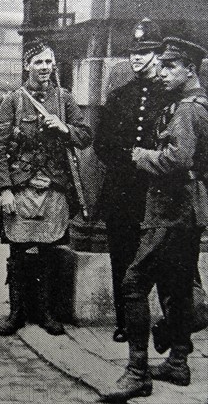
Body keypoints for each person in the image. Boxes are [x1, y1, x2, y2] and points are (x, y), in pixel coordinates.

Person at [102, 37, 208, 401]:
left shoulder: (188, 110)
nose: (161, 73)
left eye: (170, 66)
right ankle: (178, 363)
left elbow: (176, 160)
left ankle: (136, 373)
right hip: (188, 209)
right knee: (177, 286)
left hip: (171, 209)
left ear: (190, 68)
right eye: (160, 65)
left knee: (133, 284)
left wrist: (140, 155)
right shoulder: (196, 104)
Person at [0, 38, 91, 336]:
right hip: (21, 189)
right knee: (18, 251)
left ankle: (47, 313)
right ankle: (16, 313)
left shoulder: (65, 99)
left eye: (49, 62)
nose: (44, 68)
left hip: (54, 188)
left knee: (48, 252)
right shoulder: (12, 101)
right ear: (26, 66)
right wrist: (5, 190)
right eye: (38, 62)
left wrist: (64, 128)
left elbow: (85, 136)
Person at [93, 18, 170, 343]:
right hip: (122, 192)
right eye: (134, 53)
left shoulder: (170, 97)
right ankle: (126, 322)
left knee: (164, 259)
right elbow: (102, 144)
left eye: (146, 52)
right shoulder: (119, 97)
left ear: (158, 55)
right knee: (122, 258)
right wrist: (131, 158)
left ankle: (171, 322)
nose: (137, 58)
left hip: (157, 193)